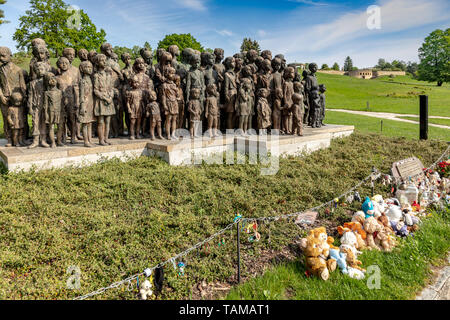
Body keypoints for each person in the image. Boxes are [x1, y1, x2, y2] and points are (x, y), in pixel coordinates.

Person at [93, 54, 115, 146]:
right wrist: (105, 97)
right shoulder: (96, 76)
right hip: (101, 101)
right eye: (102, 61)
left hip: (109, 100)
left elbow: (111, 88)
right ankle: (101, 140)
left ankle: (106, 139)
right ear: (97, 63)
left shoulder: (108, 75)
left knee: (108, 122)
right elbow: (95, 90)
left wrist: (110, 97)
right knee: (101, 122)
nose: (104, 62)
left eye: (105, 60)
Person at [27, 62, 49, 149]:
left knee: (44, 122)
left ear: (45, 70)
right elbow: (30, 95)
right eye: (38, 70)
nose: (40, 71)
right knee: (35, 122)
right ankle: (35, 141)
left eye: (42, 69)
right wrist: (30, 107)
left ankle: (43, 140)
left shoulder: (47, 81)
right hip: (36, 105)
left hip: (45, 105)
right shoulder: (32, 83)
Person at [78, 61, 96, 147]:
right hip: (85, 103)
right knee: (85, 123)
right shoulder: (83, 81)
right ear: (82, 69)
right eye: (87, 67)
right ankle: (86, 141)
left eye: (90, 67)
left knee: (90, 122)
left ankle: (90, 140)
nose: (89, 69)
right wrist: (82, 106)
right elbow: (81, 95)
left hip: (91, 103)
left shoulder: (90, 80)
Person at [43, 73, 62, 148]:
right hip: (51, 111)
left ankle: (59, 141)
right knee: (51, 127)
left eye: (54, 78)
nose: (52, 81)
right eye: (50, 79)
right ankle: (53, 142)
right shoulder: (47, 93)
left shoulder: (59, 92)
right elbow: (46, 104)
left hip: (59, 111)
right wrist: (46, 114)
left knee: (60, 126)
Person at [126, 75, 144, 140]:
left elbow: (141, 101)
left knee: (138, 122)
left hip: (139, 108)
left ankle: (137, 134)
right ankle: (132, 134)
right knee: (132, 122)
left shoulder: (140, 92)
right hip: (133, 108)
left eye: (137, 82)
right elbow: (127, 102)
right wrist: (129, 109)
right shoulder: (129, 92)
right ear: (131, 83)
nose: (136, 84)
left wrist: (143, 108)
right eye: (134, 82)